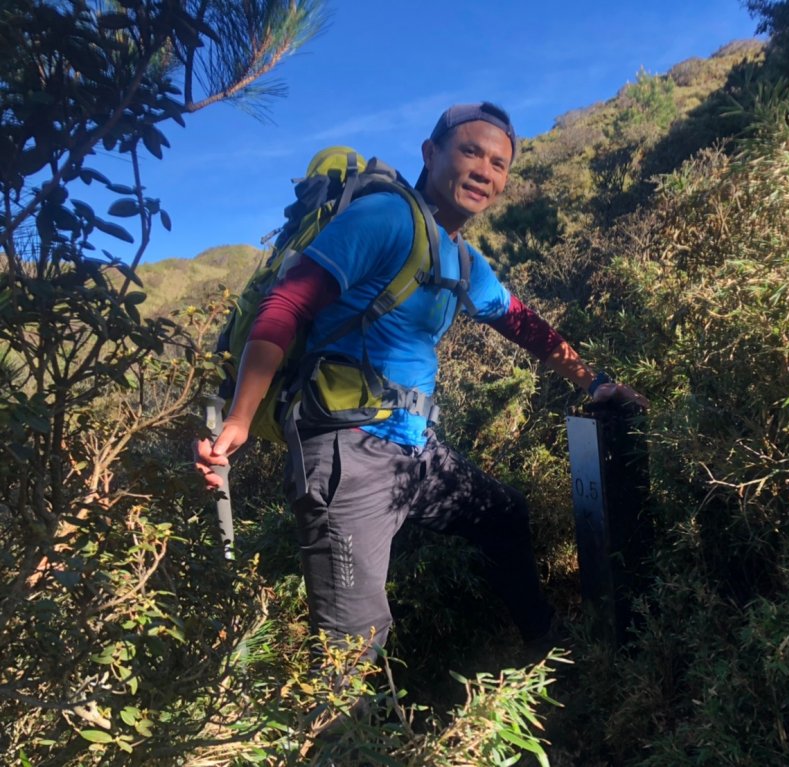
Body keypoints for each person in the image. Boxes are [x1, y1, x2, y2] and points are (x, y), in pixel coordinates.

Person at [195, 102, 647, 659]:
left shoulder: (458, 256)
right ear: (431, 154)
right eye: (470, 151)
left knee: (503, 515)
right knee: (352, 646)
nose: (485, 170)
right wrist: (240, 417)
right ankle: (337, 745)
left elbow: (521, 322)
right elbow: (284, 306)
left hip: (413, 450)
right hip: (347, 456)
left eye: (499, 164)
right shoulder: (384, 218)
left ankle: (545, 649)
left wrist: (594, 382)